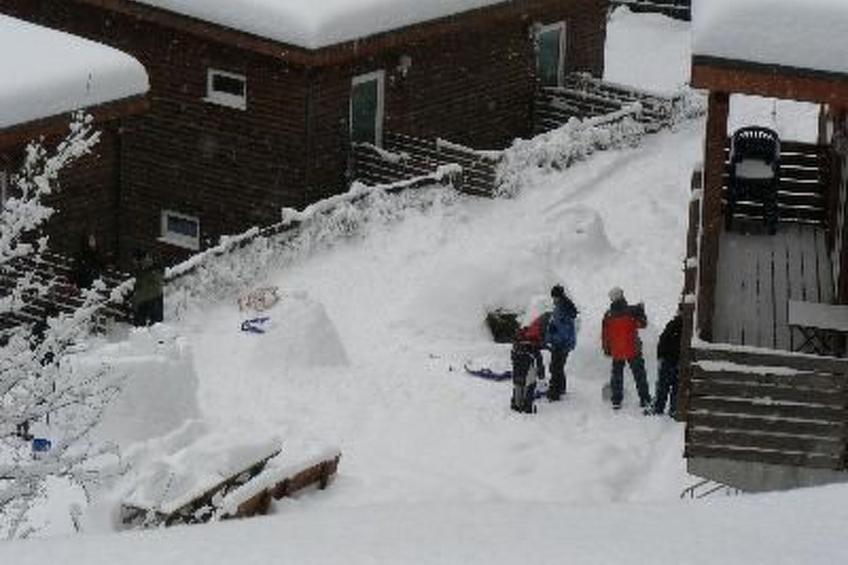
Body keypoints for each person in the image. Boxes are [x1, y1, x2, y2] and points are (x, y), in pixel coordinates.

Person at [602, 287, 651, 410]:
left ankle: (616, 400)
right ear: (622, 296)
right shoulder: (632, 311)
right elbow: (643, 324)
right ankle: (645, 399)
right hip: (632, 349)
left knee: (617, 376)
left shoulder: (608, 315)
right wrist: (642, 311)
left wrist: (607, 349)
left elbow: (605, 335)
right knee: (639, 375)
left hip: (616, 350)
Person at [510, 312, 548, 413]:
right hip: (529, 367)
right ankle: (527, 407)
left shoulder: (517, 344)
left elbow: (512, 357)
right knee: (529, 385)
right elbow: (539, 362)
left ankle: (516, 404)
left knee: (518, 384)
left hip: (518, 366)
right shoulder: (533, 346)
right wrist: (541, 375)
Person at [545, 284, 578, 401]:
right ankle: (561, 388)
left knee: (555, 368)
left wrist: (554, 333)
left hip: (561, 343)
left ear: (558, 296)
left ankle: (554, 393)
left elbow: (565, 328)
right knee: (558, 367)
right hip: (562, 343)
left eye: (554, 296)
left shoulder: (563, 308)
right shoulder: (562, 305)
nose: (553, 299)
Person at [653, 309, 683, 417]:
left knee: (663, 386)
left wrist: (660, 356)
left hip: (668, 360)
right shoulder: (689, 328)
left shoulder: (673, 324)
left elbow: (662, 341)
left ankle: (658, 408)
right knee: (676, 387)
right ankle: (673, 409)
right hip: (680, 362)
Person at [132, 249, 164, 327]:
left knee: (154, 328)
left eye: (136, 261)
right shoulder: (141, 271)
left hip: (151, 303)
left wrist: (138, 299)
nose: (134, 263)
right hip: (142, 305)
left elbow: (155, 289)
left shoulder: (154, 271)